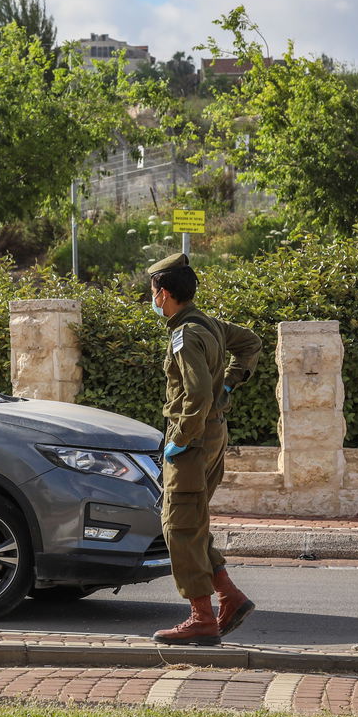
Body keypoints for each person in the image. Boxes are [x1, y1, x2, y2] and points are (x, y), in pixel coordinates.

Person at [145, 253, 262, 646]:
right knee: (192, 522)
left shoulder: (186, 334)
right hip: (213, 434)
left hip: (194, 441)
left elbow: (195, 394)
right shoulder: (207, 323)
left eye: (153, 292)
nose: (153, 299)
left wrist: (179, 438)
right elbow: (251, 342)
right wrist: (230, 381)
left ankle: (201, 617)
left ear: (164, 293)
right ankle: (228, 597)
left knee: (177, 526)